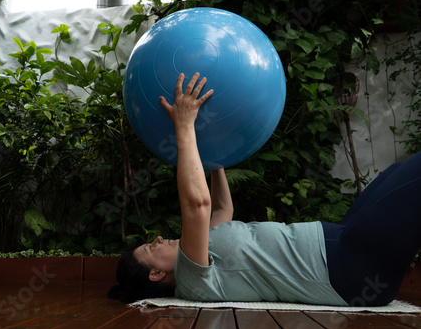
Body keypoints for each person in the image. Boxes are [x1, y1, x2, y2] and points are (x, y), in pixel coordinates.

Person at [108, 72, 421, 306]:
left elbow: (221, 210)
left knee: (398, 171)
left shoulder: (203, 252)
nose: (159, 239)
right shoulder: (191, 279)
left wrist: (215, 156)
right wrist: (184, 126)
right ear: (156, 275)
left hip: (345, 241)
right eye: (151, 248)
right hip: (352, 267)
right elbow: (197, 207)